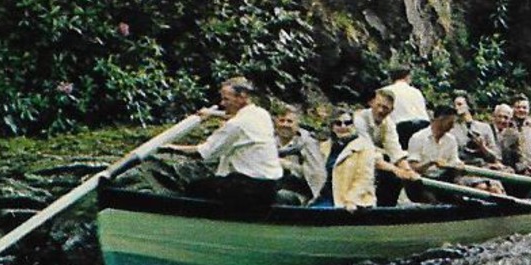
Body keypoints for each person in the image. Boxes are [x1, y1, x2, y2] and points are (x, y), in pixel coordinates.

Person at [161, 76, 283, 211]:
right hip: (270, 187)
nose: (222, 103)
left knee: (194, 187)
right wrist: (212, 113)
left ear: (242, 97)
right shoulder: (261, 114)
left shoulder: (236, 124)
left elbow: (204, 152)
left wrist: (171, 148)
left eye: (226, 99)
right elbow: (235, 116)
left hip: (249, 188)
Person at [406, 105, 503, 198]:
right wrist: (431, 163)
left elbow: (455, 162)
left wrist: (458, 165)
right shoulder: (418, 138)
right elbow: (413, 168)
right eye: (450, 123)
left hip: (446, 178)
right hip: (424, 179)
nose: (452, 127)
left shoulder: (451, 139)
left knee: (485, 188)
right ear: (440, 120)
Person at [355, 88, 418, 206]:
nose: (380, 110)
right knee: (390, 170)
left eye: (385, 108)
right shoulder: (359, 120)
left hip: (375, 160)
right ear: (371, 102)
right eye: (378, 105)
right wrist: (396, 170)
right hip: (354, 159)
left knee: (395, 176)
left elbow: (395, 150)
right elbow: (369, 153)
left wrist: (408, 171)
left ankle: (388, 207)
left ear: (391, 110)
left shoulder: (388, 123)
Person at [310, 109, 380, 211]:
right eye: (338, 123)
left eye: (347, 123)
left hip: (353, 200)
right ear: (332, 127)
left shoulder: (364, 147)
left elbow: (365, 178)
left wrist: (350, 199)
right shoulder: (323, 147)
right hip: (325, 197)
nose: (343, 127)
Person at [274, 103, 327, 202]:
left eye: (289, 121)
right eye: (282, 121)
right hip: (271, 186)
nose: (285, 124)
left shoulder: (307, 143)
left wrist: (288, 165)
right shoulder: (269, 142)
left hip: (298, 192)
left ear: (297, 124)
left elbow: (316, 173)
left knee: (281, 196)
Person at [450, 93, 503, 169]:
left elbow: (495, 156)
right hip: (465, 169)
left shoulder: (484, 127)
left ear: (468, 105)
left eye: (460, 104)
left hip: (485, 167)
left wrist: (483, 147)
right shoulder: (452, 130)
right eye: (455, 105)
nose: (456, 108)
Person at [384, 66, 430, 148]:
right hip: (422, 126)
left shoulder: (386, 91)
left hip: (401, 129)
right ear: (407, 77)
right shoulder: (416, 92)